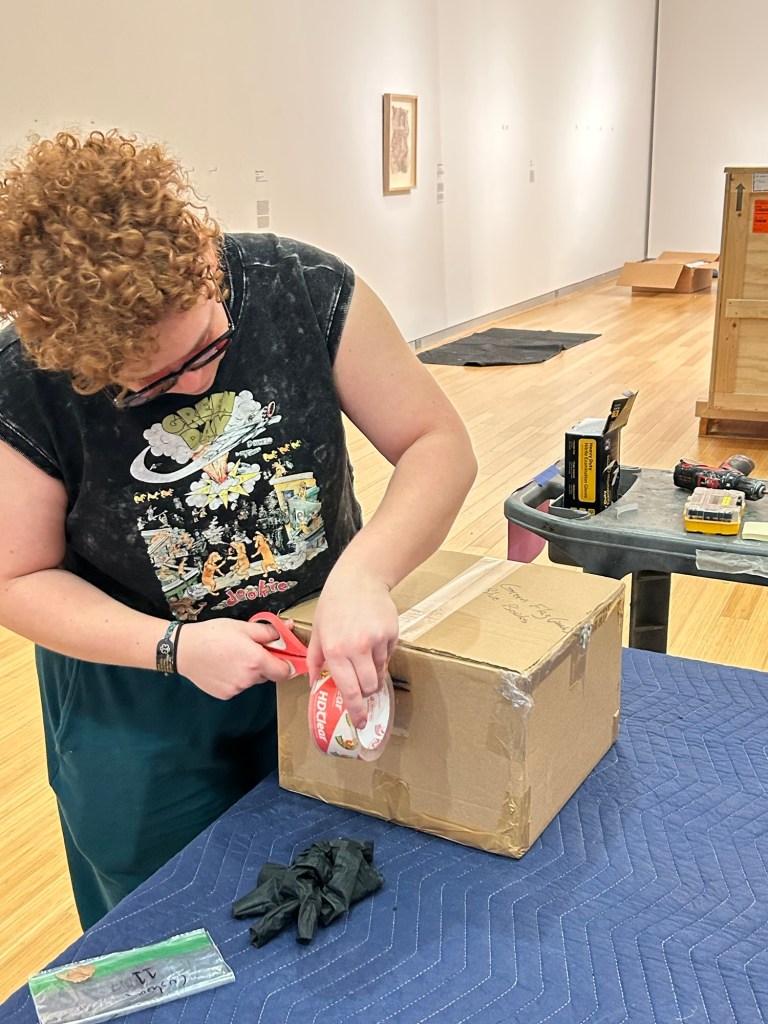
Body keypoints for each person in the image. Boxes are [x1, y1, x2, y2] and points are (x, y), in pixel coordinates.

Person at [0, 129, 477, 929]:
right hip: (139, 693)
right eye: (149, 386)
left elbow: (438, 445)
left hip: (322, 649)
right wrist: (175, 648)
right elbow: (15, 577)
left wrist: (364, 575)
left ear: (201, 260)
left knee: (346, 888)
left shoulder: (303, 286)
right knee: (166, 924)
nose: (197, 383)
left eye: (210, 345)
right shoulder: (25, 382)